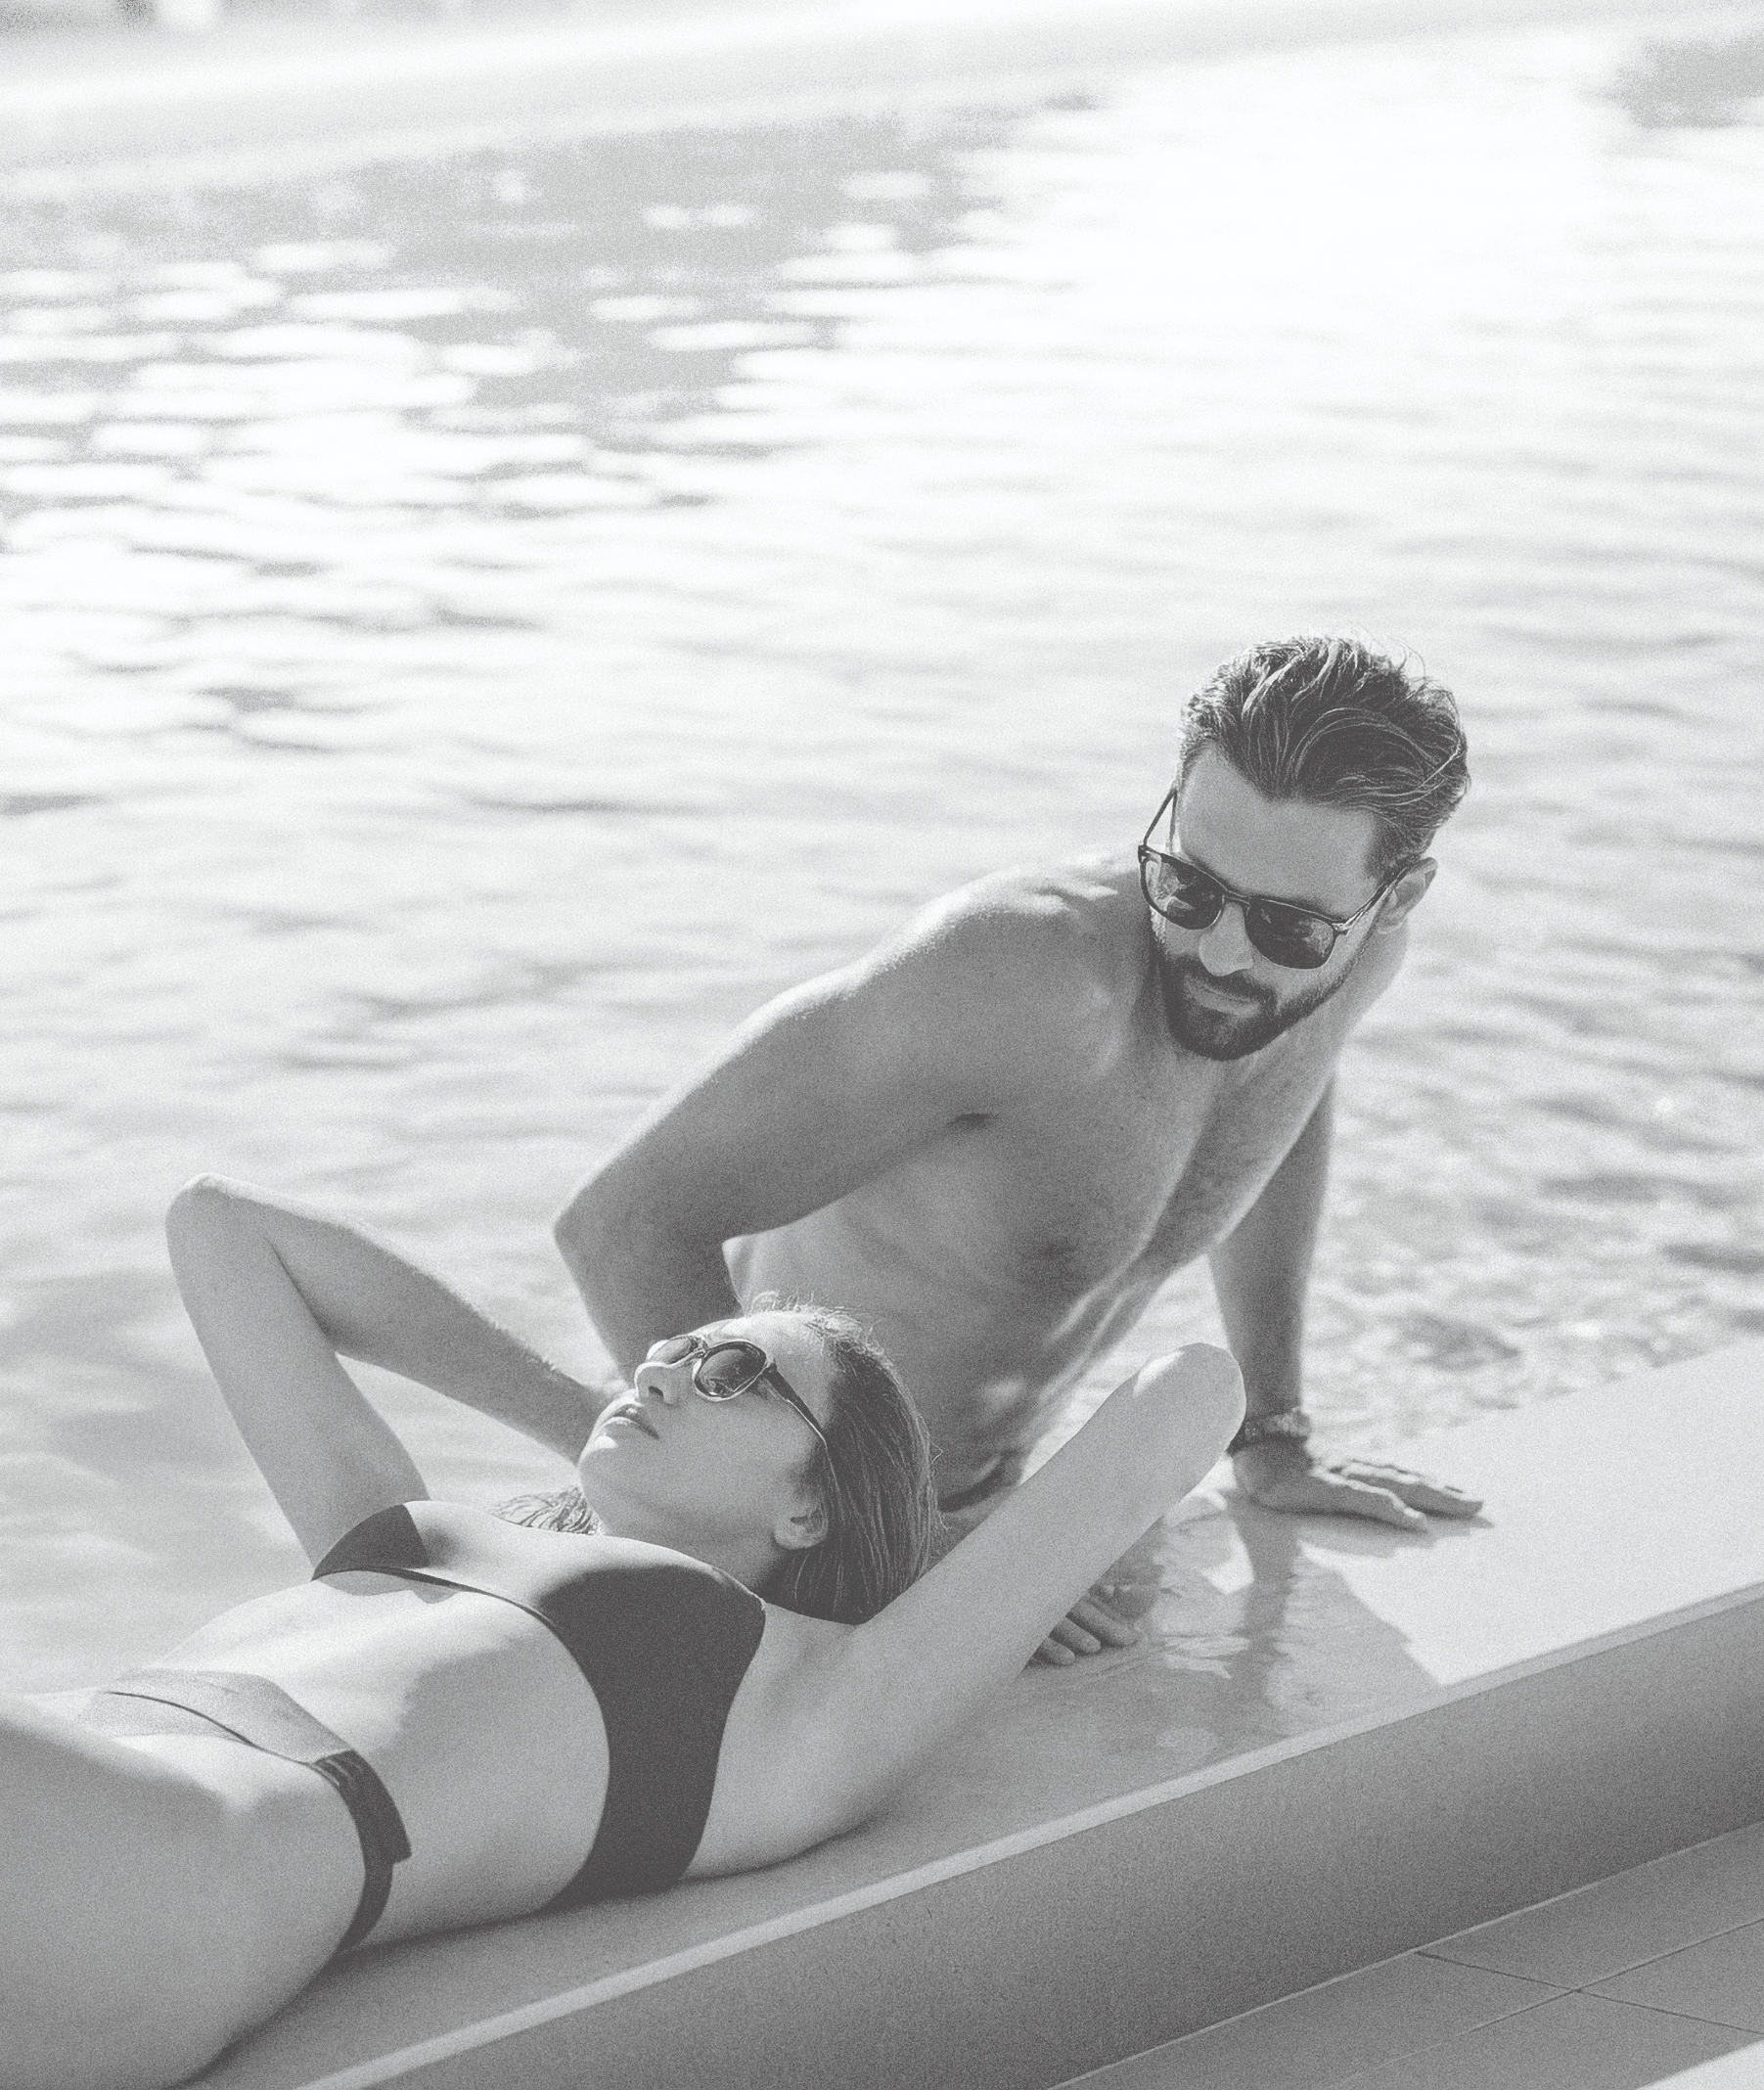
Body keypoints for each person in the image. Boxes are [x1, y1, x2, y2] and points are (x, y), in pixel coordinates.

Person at [5, 1177, 1243, 2090]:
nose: (663, 1371)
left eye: (730, 1378)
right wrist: (595, 1425)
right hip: (90, 1818)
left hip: (179, 1866)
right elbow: (221, 1227)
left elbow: (1193, 1388)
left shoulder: (804, 1699)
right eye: (666, 1354)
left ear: (812, 1500)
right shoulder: (398, 1540)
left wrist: (936, 1551)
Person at [461, 635, 1477, 1660]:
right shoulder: (1010, 981)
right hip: (761, 1554)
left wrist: (1272, 1432)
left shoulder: (1352, 965)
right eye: (1190, 886)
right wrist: (893, 1546)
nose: (1220, 950)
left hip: (972, 1525)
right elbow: (622, 1225)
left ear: (1395, 898)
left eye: (1291, 930)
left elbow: (1282, 1113)